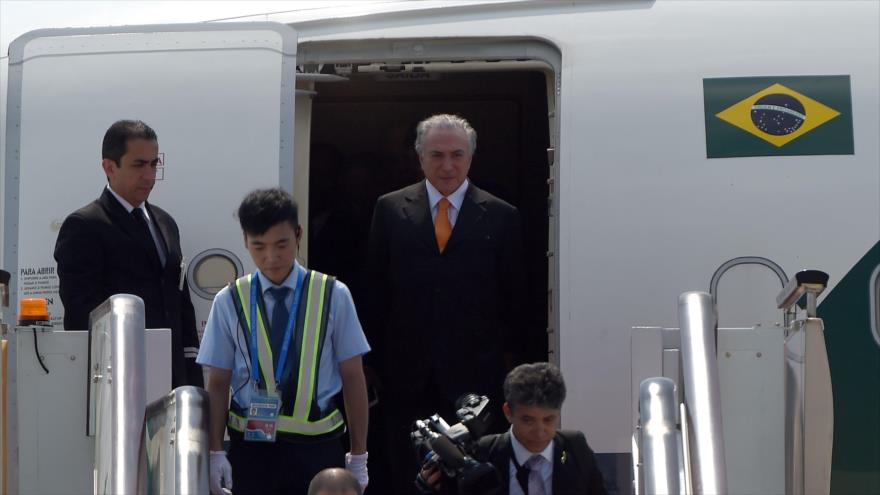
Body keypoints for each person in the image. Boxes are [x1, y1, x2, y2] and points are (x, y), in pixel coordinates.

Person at [365, 113, 527, 492]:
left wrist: (513, 363)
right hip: (405, 373)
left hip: (476, 377)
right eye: (436, 155)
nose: (448, 165)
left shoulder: (502, 216)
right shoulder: (389, 210)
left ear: (471, 157)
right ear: (419, 157)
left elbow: (516, 299)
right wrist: (368, 362)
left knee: (473, 474)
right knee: (406, 472)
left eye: (457, 154)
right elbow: (374, 290)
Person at [197, 188, 370, 495]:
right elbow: (219, 381)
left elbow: (353, 377)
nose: (271, 258)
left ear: (299, 234)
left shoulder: (333, 294)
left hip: (318, 448)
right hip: (252, 449)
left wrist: (359, 455)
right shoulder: (230, 299)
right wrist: (215, 452)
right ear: (245, 241)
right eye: (258, 246)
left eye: (281, 244)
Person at [54, 119, 203, 388]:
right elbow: (82, 314)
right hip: (119, 382)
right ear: (109, 167)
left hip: (172, 381)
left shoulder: (166, 223)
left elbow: (181, 305)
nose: (149, 175)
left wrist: (191, 374)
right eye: (138, 165)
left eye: (153, 164)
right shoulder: (84, 226)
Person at [418, 362, 607, 495]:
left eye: (549, 420)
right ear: (508, 412)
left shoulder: (575, 447)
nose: (539, 431)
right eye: (528, 420)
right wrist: (427, 487)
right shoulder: (482, 452)